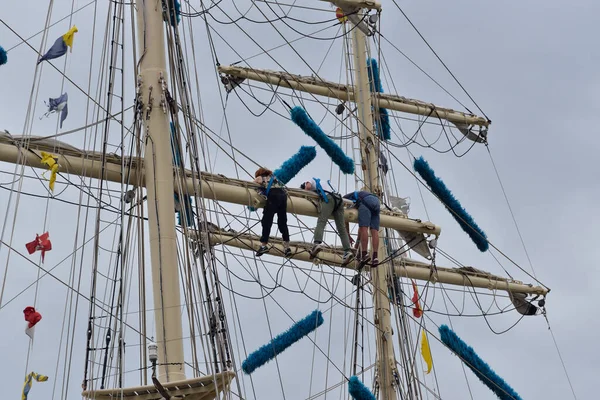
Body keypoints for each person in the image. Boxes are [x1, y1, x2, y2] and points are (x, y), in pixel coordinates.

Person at [300, 179, 354, 265]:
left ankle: (316, 244)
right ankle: (347, 251)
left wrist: (305, 191)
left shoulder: (309, 181)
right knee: (341, 229)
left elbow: (308, 187)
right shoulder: (324, 183)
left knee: (321, 221)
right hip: (339, 200)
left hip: (329, 199)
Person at [254, 167, 291, 257]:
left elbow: (253, 184)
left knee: (267, 221)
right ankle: (287, 247)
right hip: (283, 196)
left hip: (274, 196)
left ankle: (263, 246)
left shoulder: (260, 177)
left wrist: (259, 191)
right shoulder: (274, 178)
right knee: (282, 222)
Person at [343, 190, 380, 266]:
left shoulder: (344, 200)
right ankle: (375, 257)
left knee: (364, 228)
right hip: (376, 202)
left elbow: (345, 220)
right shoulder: (355, 197)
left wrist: (348, 235)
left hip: (366, 201)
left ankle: (364, 254)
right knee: (374, 231)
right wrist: (357, 242)